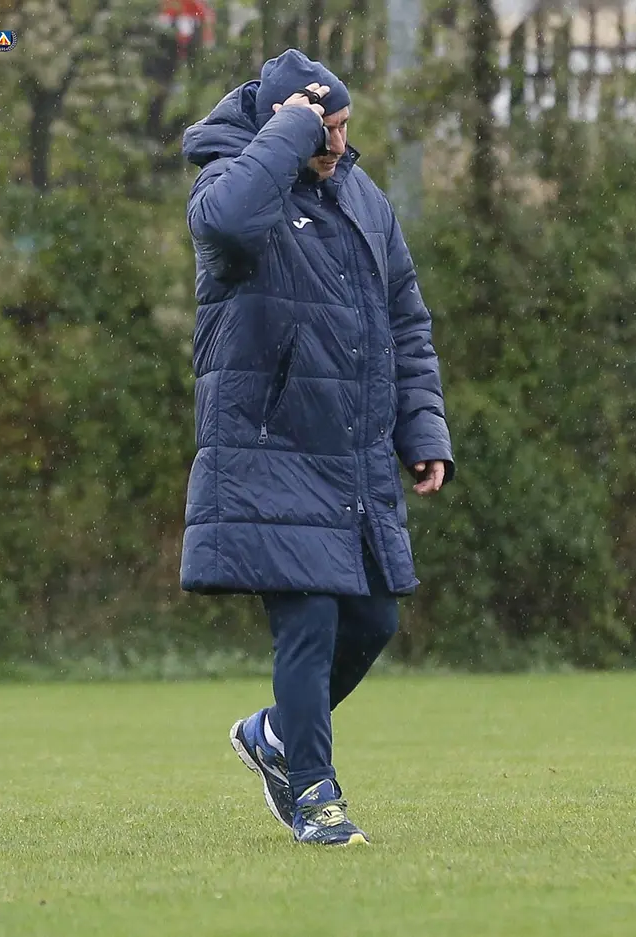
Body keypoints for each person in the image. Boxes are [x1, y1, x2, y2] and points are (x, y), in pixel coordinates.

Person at [180, 49, 454, 846]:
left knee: (372, 619)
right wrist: (287, 135)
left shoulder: (365, 200)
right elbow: (228, 224)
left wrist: (421, 429)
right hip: (268, 451)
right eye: (320, 127)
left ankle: (273, 735)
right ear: (285, 125)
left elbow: (405, 322)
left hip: (351, 460)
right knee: (309, 622)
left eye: (340, 125)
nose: (336, 142)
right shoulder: (231, 184)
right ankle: (315, 796)